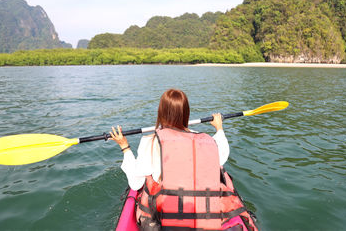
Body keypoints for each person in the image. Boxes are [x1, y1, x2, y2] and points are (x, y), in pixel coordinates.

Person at [110, 89, 258, 231]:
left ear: (160, 112)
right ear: (186, 112)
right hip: (206, 216)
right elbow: (222, 154)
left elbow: (135, 185)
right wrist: (219, 129)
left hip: (165, 218)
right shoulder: (205, 141)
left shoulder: (150, 141)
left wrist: (124, 147)